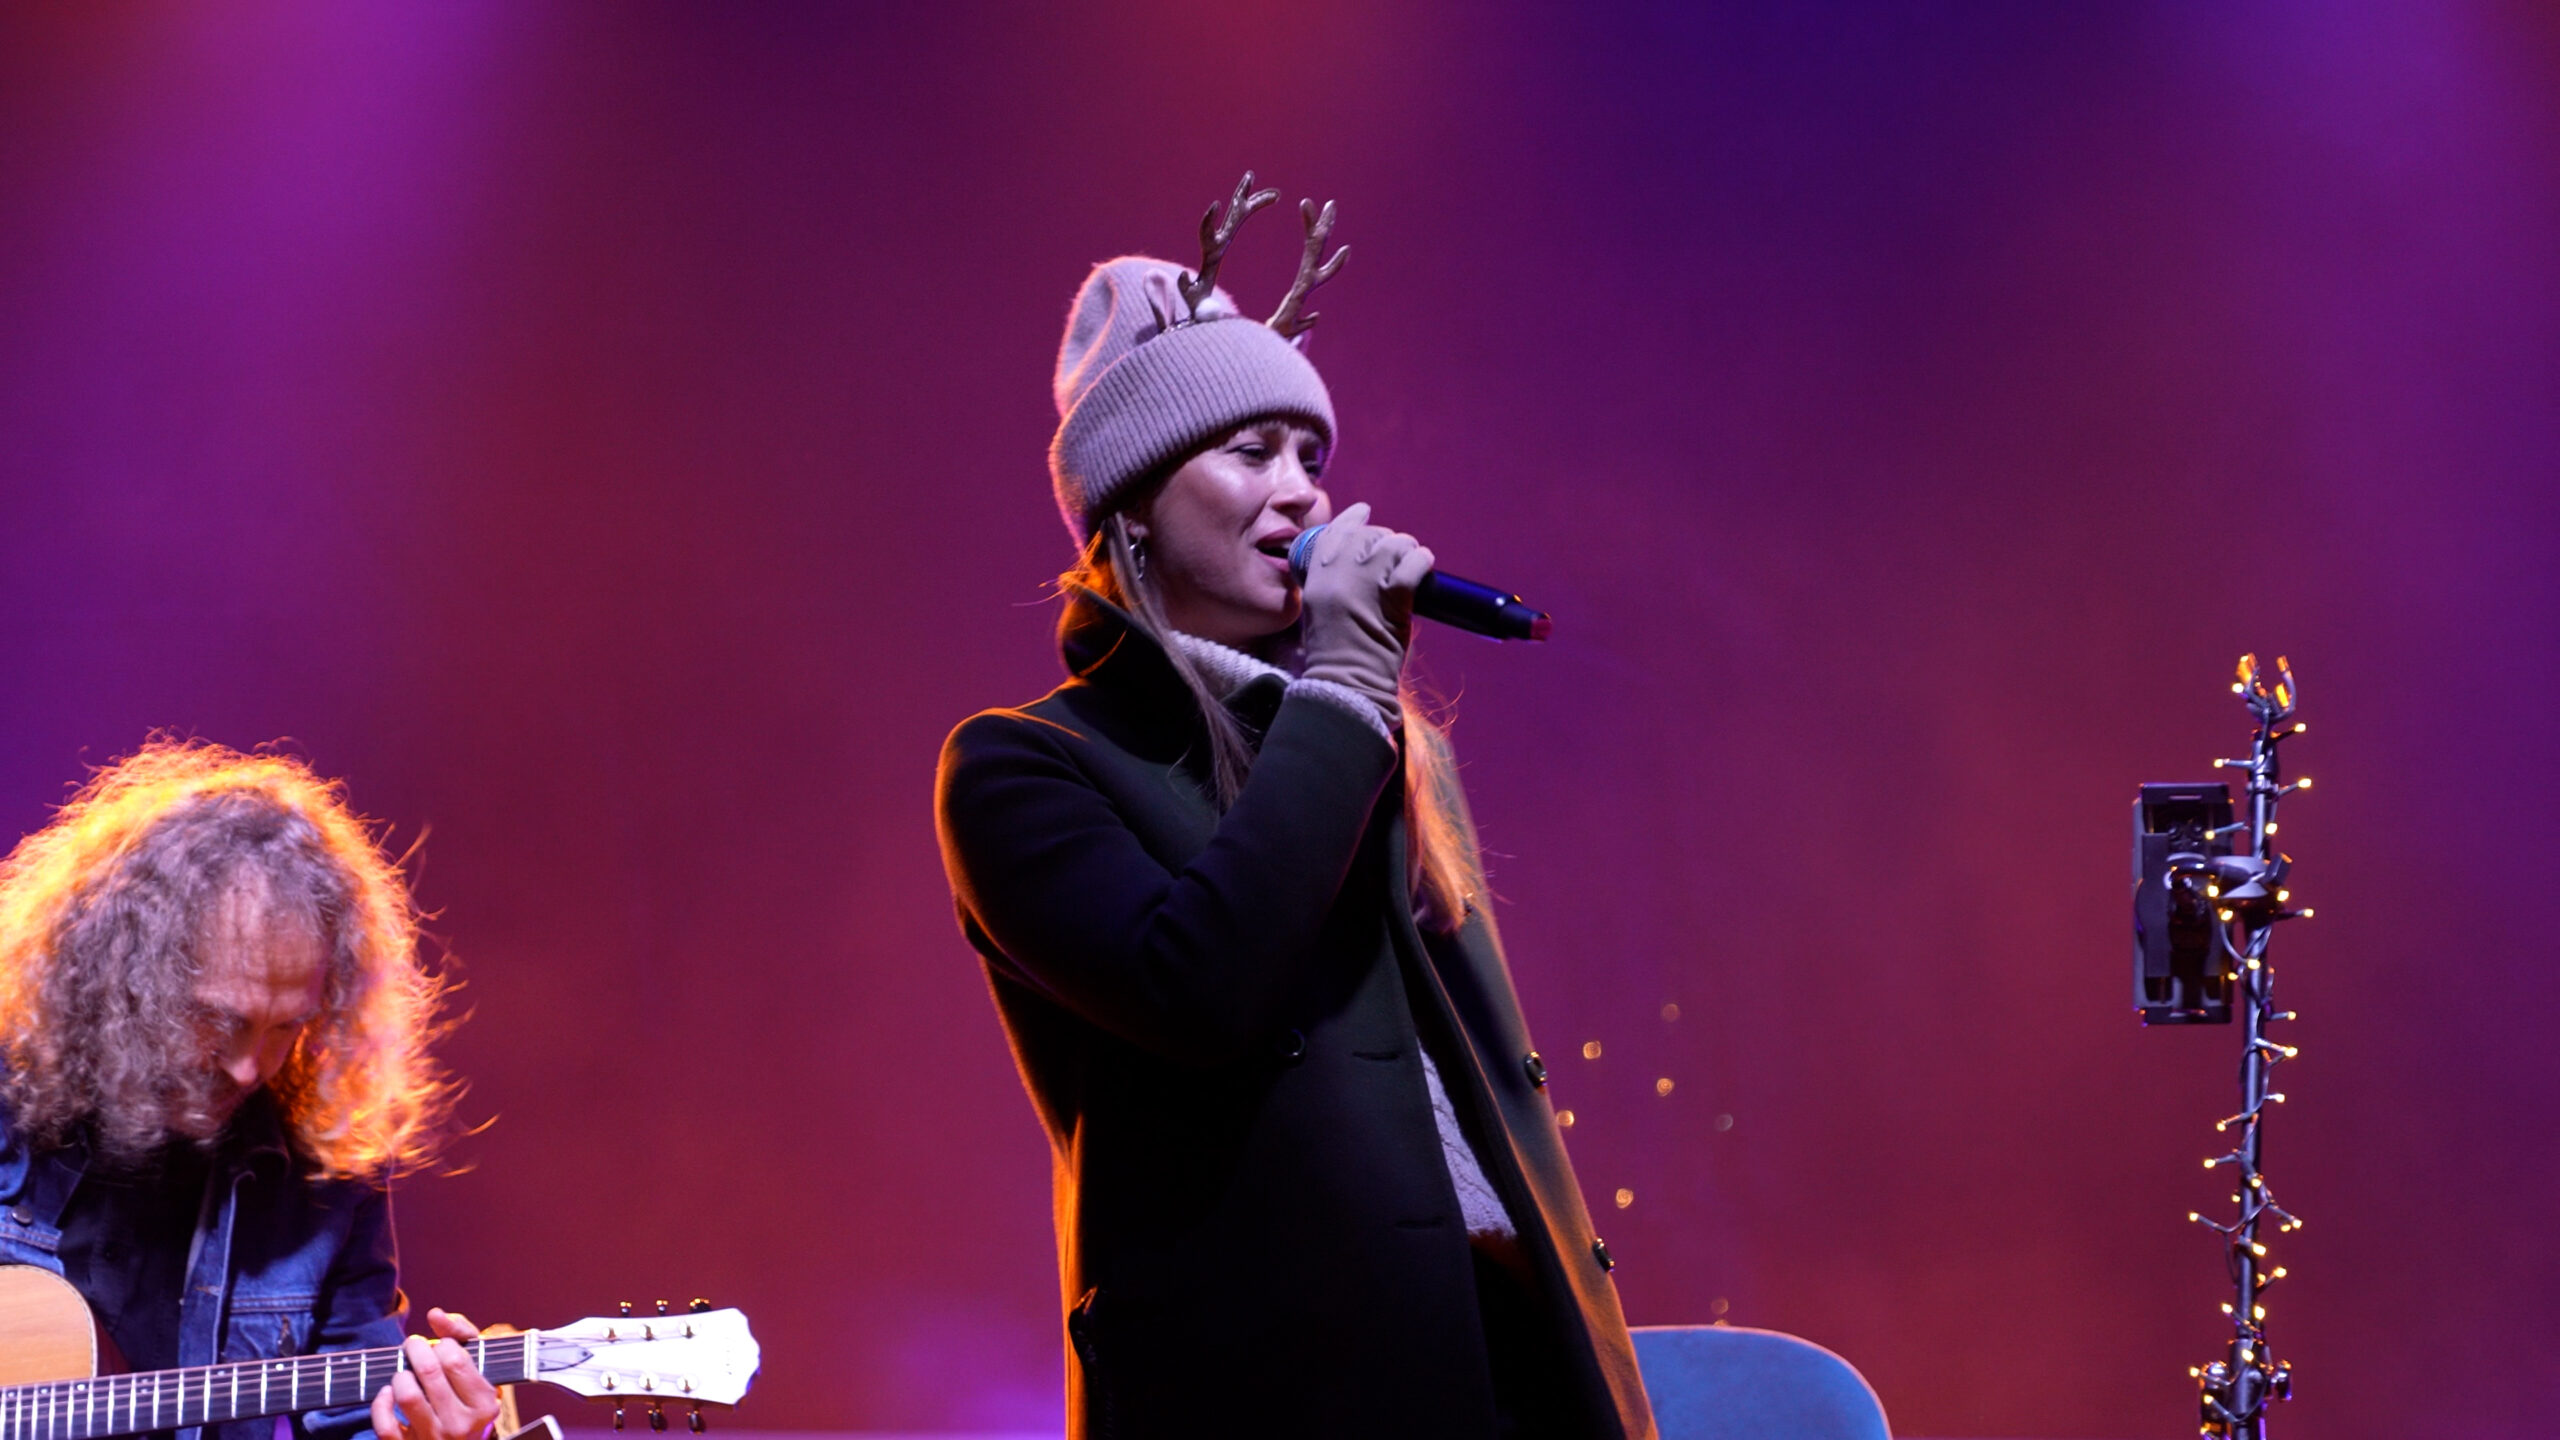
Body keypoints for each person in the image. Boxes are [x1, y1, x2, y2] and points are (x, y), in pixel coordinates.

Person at [935, 177, 1656, 1438]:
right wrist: (1343, 690)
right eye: (1251, 452)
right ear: (1135, 505)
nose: (1306, 496)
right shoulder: (1023, 767)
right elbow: (1199, 989)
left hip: (1500, 1367)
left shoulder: (1374, 741)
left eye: (1312, 458)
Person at [0, 740, 502, 1440]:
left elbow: (362, 1422)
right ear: (124, 981)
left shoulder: (328, 1178)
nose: (246, 1068)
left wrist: (432, 1436)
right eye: (217, 1020)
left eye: (284, 1027)